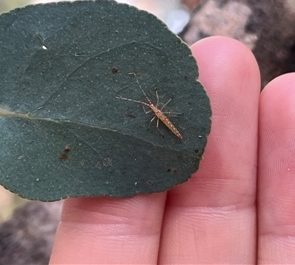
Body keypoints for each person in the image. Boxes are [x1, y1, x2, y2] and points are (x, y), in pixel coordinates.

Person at [50, 36, 295, 264]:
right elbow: (155, 111)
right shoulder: (155, 112)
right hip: (167, 123)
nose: (152, 107)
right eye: (151, 106)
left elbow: (157, 107)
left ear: (154, 106)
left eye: (152, 105)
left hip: (170, 122)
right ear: (153, 108)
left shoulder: (157, 109)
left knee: (169, 119)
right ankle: (177, 134)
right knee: (165, 122)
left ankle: (178, 134)